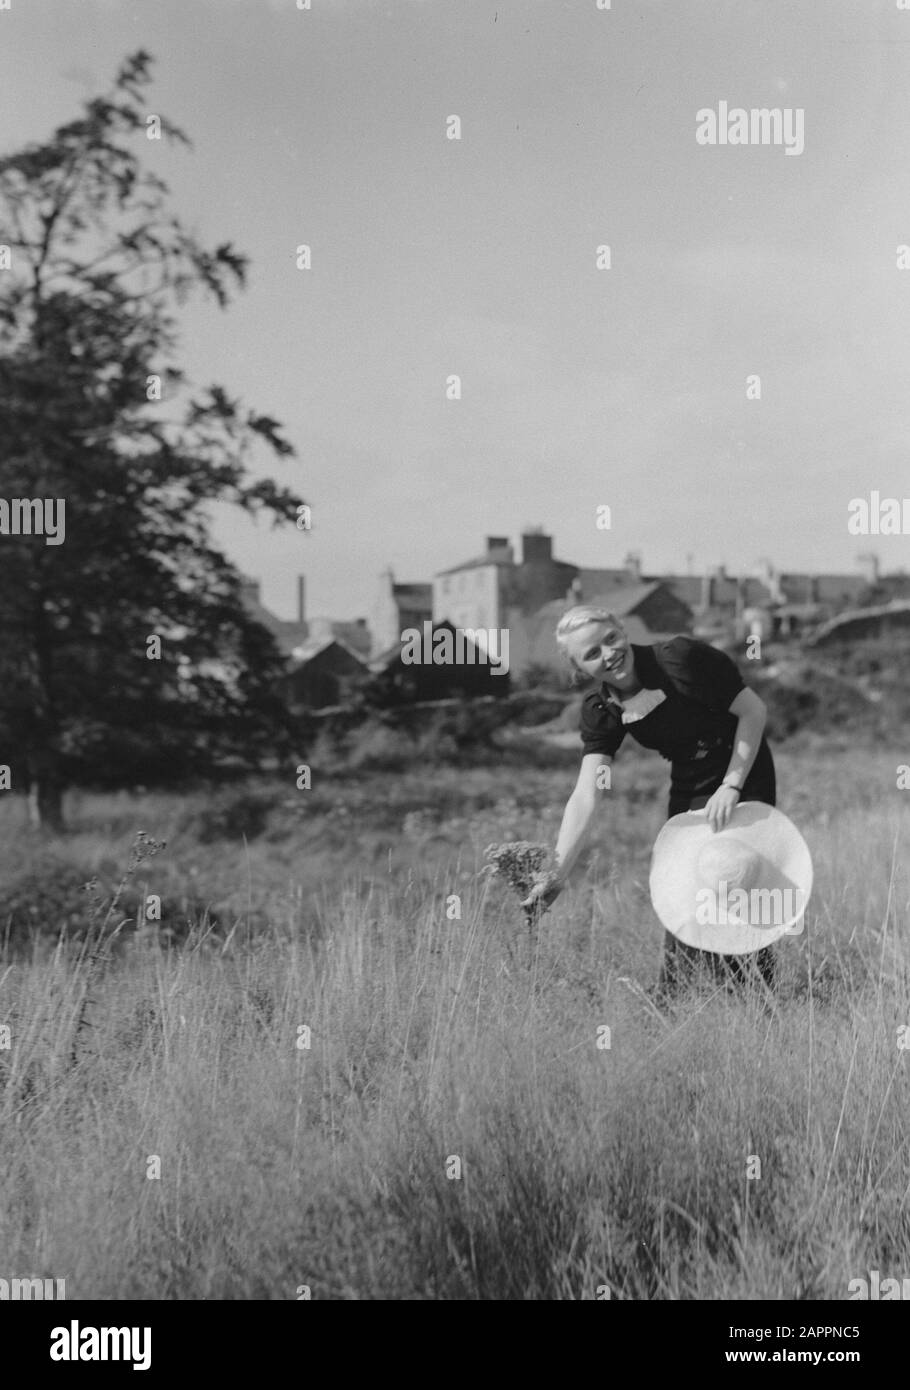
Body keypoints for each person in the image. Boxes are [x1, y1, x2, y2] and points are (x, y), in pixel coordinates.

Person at [520, 606, 777, 995]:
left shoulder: (681, 659)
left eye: (610, 639)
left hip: (743, 764)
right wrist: (557, 872)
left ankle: (751, 992)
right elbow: (588, 792)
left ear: (622, 630)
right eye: (592, 654)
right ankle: (679, 995)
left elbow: (753, 711)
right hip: (690, 778)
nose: (608, 654)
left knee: (729, 876)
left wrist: (731, 786)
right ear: (579, 669)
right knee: (684, 883)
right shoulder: (602, 710)